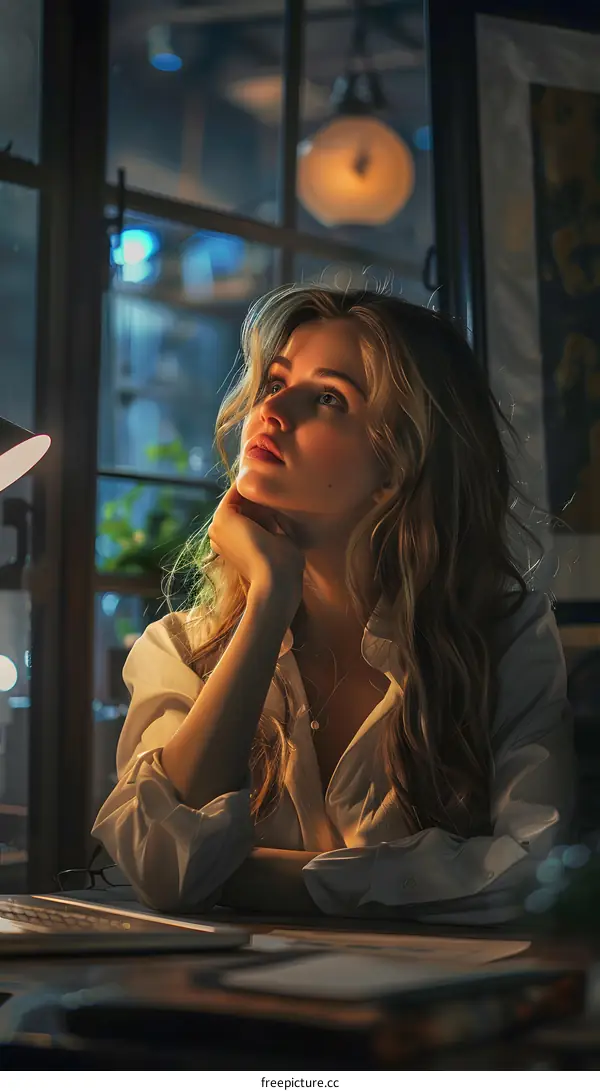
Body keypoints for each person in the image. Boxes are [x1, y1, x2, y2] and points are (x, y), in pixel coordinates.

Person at [92, 285, 575, 923]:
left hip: (430, 1012)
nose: (272, 410)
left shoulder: (504, 640)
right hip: (228, 1012)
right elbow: (165, 870)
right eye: (273, 381)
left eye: (327, 397)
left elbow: (533, 868)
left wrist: (277, 882)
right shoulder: (180, 649)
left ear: (395, 468)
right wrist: (267, 602)